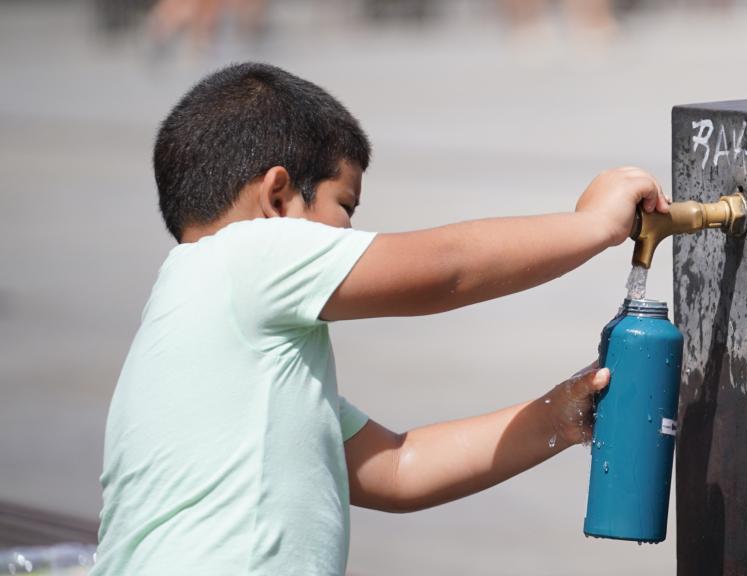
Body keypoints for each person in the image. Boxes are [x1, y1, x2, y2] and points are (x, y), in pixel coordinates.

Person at [91, 62, 668, 575]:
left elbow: (396, 468)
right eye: (345, 206)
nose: (351, 232)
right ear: (276, 196)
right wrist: (592, 226)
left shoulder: (228, 348)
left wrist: (561, 416)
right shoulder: (245, 255)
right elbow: (449, 271)